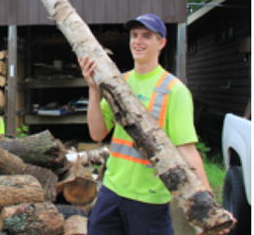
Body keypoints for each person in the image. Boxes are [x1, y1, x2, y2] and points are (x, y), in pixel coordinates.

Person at [80, 13, 232, 235]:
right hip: (111, 193)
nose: (138, 41)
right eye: (134, 35)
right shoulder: (118, 83)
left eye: (146, 36)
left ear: (161, 43)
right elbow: (97, 132)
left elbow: (187, 150)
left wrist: (210, 205)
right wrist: (93, 89)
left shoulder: (175, 90)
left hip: (149, 200)